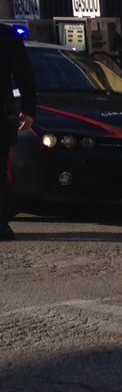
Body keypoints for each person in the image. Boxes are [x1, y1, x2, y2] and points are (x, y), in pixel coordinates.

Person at [1, 27, 38, 242]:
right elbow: (24, 76)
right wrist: (29, 109)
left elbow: (24, 75)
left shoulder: (6, 38)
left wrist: (28, 109)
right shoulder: (7, 37)